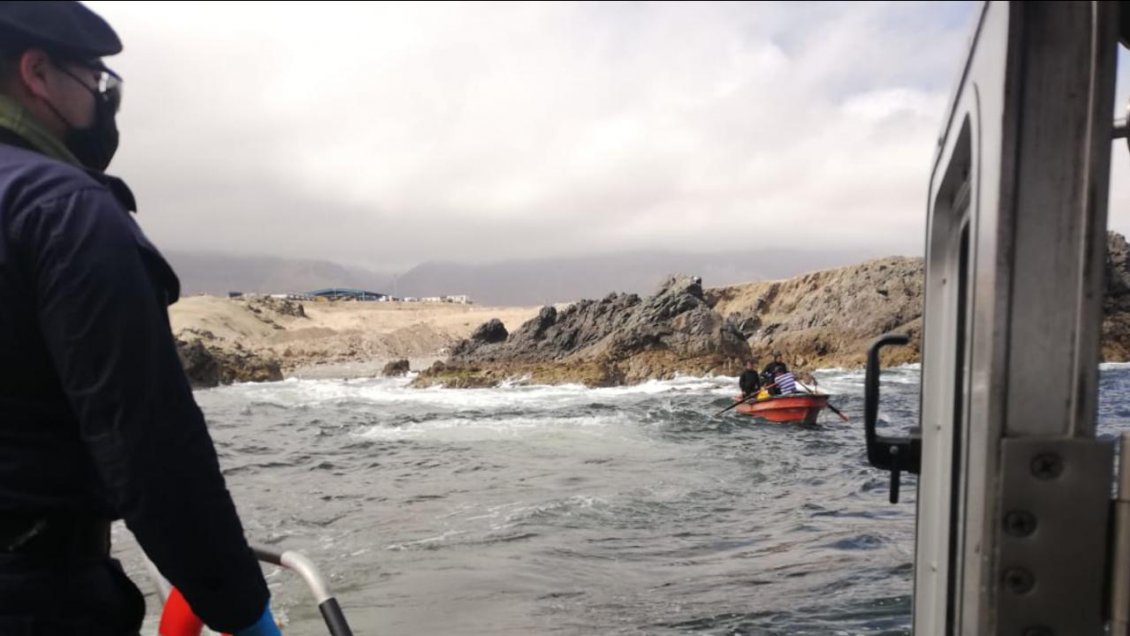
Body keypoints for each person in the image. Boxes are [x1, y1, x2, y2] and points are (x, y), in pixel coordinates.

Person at [0, 2, 279, 634]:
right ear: (37, 72)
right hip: (35, 596)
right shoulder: (64, 211)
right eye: (93, 81)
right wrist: (240, 608)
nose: (103, 102)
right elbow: (149, 445)